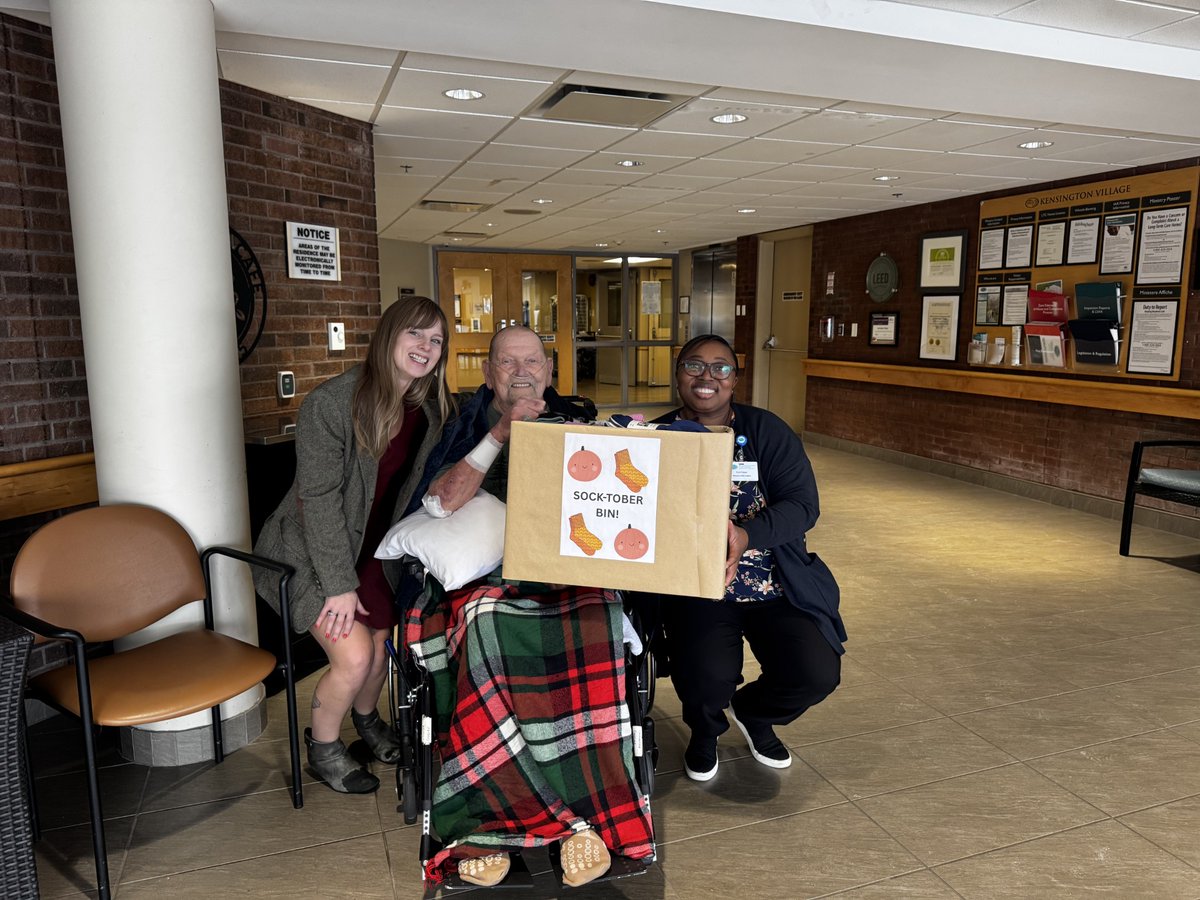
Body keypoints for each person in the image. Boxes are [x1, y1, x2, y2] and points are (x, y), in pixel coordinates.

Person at [402, 326, 654, 888]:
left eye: (532, 360)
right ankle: (491, 823)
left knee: (600, 621)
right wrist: (499, 432)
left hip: (570, 568)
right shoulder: (463, 423)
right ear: (489, 372)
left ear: (548, 369)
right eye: (507, 361)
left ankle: (582, 817)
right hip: (490, 577)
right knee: (486, 623)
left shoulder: (580, 418)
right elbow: (440, 503)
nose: (521, 370)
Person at [254, 296, 454, 794]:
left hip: (371, 549)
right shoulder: (332, 402)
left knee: (382, 645)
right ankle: (323, 748)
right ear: (389, 335)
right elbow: (316, 501)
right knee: (354, 657)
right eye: (415, 334)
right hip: (306, 550)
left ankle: (366, 723)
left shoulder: (426, 408)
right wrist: (338, 587)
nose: (425, 347)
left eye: (436, 341)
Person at [653, 334, 845, 782]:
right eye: (694, 366)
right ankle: (704, 732)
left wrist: (745, 535)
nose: (707, 377)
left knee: (815, 672)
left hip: (773, 581)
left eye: (721, 368)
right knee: (706, 677)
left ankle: (755, 714)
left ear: (735, 379)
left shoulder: (766, 431)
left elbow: (803, 506)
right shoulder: (655, 438)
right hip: (697, 586)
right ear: (678, 373)